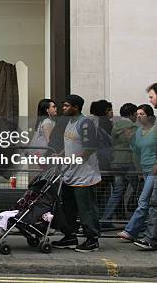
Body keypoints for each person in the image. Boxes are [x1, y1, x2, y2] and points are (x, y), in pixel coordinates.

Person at [53, 94, 101, 252]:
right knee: (68, 208)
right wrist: (60, 155)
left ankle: (92, 239)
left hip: (84, 175)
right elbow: (70, 145)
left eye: (67, 106)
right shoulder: (70, 122)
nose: (63, 108)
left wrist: (73, 159)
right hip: (70, 174)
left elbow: (90, 148)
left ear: (76, 107)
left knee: (85, 208)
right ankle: (70, 236)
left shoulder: (85, 123)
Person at [117, 104, 156, 242]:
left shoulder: (155, 129)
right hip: (145, 169)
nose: (139, 116)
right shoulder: (139, 131)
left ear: (150, 116)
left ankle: (130, 231)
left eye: (142, 114)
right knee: (151, 202)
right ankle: (147, 231)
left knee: (144, 200)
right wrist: (130, 139)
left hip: (154, 170)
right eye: (138, 114)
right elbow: (136, 150)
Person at [102, 103, 138, 228]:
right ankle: (141, 222)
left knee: (117, 191)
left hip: (116, 161)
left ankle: (105, 220)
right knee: (139, 189)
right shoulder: (131, 126)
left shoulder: (115, 125)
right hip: (127, 161)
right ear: (133, 114)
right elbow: (134, 143)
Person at [135, 83, 157, 250]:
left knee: (152, 204)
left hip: (154, 169)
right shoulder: (139, 131)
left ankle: (150, 238)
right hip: (148, 169)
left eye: (151, 96)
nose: (150, 100)